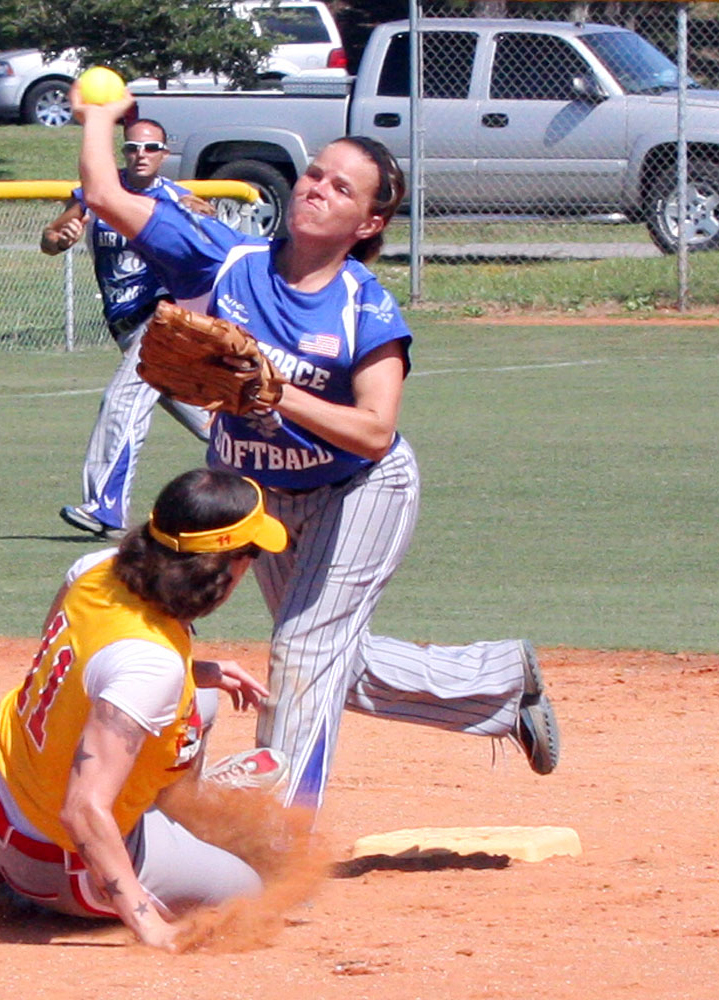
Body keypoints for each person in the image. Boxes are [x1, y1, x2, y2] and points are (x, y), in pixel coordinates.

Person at [69, 85, 559, 813]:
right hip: (261, 493)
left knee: (302, 653)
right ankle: (496, 681)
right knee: (327, 661)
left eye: (341, 187)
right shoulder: (225, 262)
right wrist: (102, 118)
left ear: (369, 221)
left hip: (360, 490)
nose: (318, 191)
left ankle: (277, 838)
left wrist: (276, 392)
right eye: (314, 175)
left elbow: (374, 430)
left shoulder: (366, 307)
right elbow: (105, 195)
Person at [0, 467, 289, 950]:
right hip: (52, 856)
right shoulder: (150, 666)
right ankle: (9, 885)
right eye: (249, 554)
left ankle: (166, 828)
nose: (251, 566)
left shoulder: (97, 567)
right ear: (222, 566)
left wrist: (197, 672)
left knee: (201, 696)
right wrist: (148, 924)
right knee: (245, 892)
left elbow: (76, 665)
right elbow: (82, 808)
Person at [41, 118, 214, 539]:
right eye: (133, 147)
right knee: (218, 421)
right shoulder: (99, 194)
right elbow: (50, 238)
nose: (141, 155)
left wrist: (201, 219)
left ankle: (105, 507)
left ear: (164, 154)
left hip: (164, 320)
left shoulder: (178, 200)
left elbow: (212, 254)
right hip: (125, 325)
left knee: (123, 402)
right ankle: (289, 475)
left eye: (151, 147)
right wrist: (58, 236)